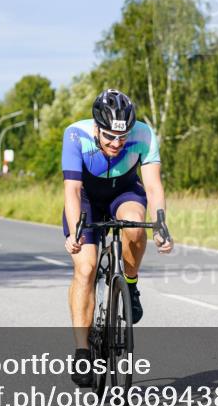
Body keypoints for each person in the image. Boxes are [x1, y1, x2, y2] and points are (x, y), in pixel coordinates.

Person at [61, 89, 173, 386]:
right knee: (85, 268)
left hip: (123, 192)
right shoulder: (76, 136)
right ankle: (83, 351)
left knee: (136, 226)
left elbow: (153, 187)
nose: (116, 143)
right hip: (86, 197)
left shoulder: (145, 135)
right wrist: (75, 232)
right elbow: (71, 190)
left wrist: (161, 225)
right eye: (109, 136)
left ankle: (131, 284)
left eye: (122, 138)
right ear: (97, 127)